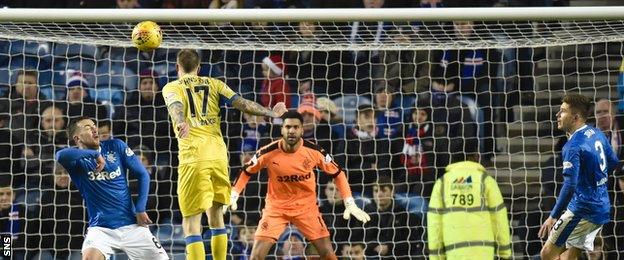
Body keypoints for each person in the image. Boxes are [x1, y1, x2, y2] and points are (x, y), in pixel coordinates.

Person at [162, 49, 287, 260]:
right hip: (219, 156)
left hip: (194, 158)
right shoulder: (215, 83)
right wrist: (271, 112)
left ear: (177, 67)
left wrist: (180, 121)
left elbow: (175, 106)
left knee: (191, 222)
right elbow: (243, 104)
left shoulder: (171, 87)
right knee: (217, 216)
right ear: (199, 68)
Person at [225, 110, 370, 259]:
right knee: (256, 256)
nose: (292, 131)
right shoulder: (267, 152)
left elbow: (338, 173)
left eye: (296, 127)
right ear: (282, 129)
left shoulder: (314, 151)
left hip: (306, 208)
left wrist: (349, 201)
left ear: (301, 129)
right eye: (288, 127)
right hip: (276, 209)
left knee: (327, 254)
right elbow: (246, 170)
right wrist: (235, 192)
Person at [55, 117, 168, 260]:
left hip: (132, 225)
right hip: (101, 229)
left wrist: (140, 208)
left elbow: (143, 174)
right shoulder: (75, 161)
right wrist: (95, 154)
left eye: (94, 125)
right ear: (77, 138)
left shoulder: (116, 146)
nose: (95, 129)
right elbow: (60, 155)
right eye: (88, 128)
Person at [539, 94, 619, 260]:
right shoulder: (596, 133)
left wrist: (553, 215)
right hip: (602, 206)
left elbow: (570, 185)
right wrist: (596, 181)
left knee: (547, 254)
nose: (557, 115)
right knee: (568, 257)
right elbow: (613, 162)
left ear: (575, 117)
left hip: (582, 209)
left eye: (562, 111)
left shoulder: (573, 146)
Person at [427, 156, 511, 259]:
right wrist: (504, 252)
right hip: (483, 253)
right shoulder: (485, 180)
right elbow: (499, 218)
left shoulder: (442, 183)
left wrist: (436, 256)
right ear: (476, 156)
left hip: (454, 253)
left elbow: (434, 222)